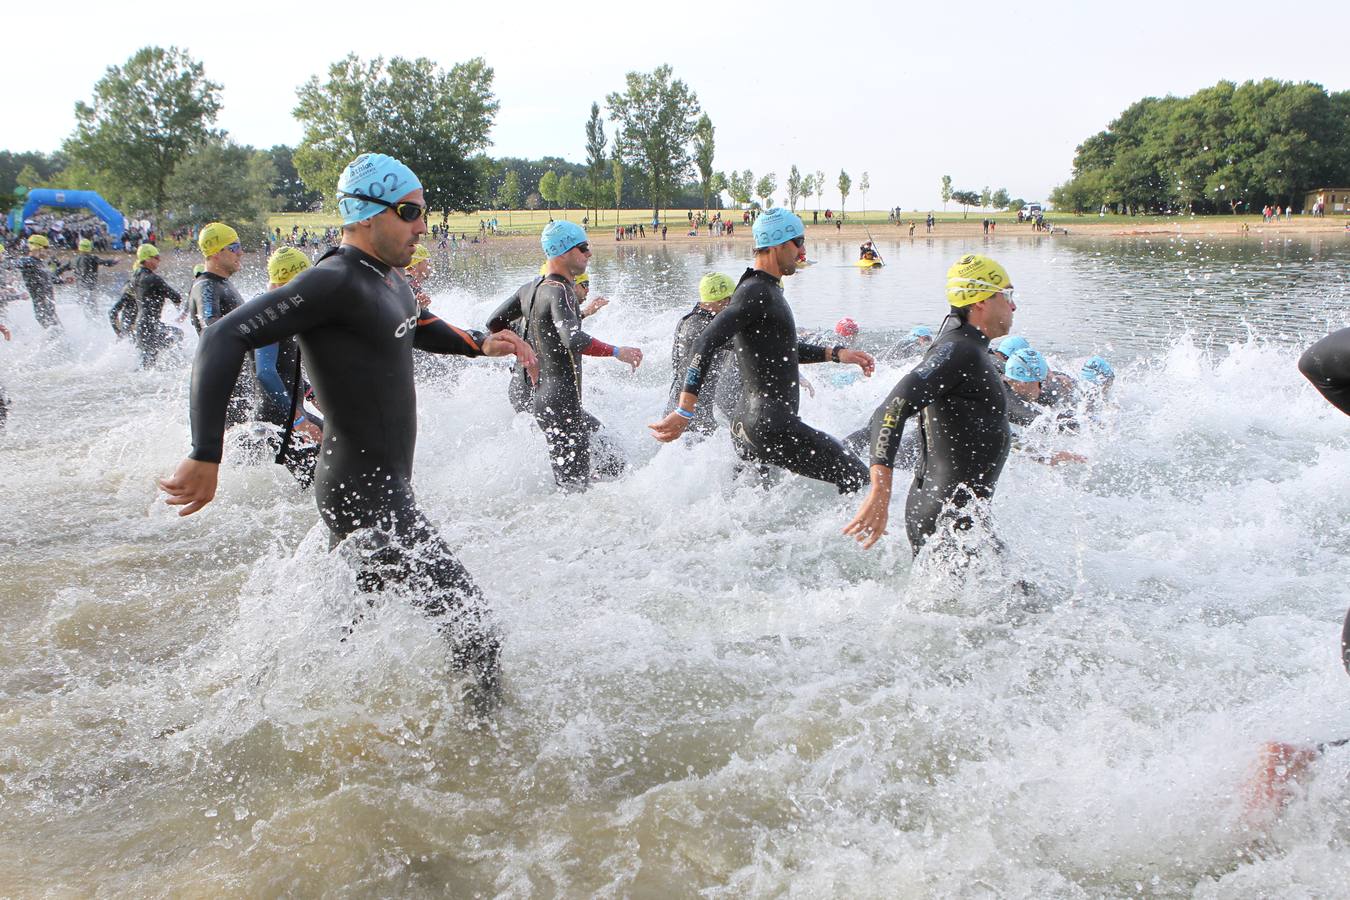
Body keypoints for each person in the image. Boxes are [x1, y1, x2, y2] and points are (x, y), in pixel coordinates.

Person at [159, 153, 537, 711]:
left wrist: (479, 341)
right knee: (474, 626)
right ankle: (486, 758)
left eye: (423, 213)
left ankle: (271, 707)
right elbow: (222, 337)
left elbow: (414, 324)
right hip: (363, 489)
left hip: (375, 484)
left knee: (346, 626)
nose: (420, 226)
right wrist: (204, 453)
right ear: (364, 214)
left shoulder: (386, 277)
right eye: (409, 212)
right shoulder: (332, 280)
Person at [649, 208, 874, 492]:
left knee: (755, 511)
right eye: (799, 241)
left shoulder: (763, 290)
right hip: (772, 426)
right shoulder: (756, 291)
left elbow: (778, 350)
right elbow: (704, 341)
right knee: (859, 477)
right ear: (778, 244)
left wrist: (836, 354)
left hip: (749, 427)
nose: (803, 250)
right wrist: (685, 410)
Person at [843, 254, 1016, 553]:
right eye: (1007, 295)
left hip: (958, 516)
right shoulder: (959, 350)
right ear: (980, 301)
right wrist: (881, 491)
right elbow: (892, 408)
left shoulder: (964, 345)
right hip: (946, 519)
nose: (1013, 305)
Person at [487, 221, 641, 490]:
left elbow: (495, 322)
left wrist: (522, 350)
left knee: (609, 458)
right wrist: (618, 352)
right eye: (583, 248)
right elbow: (574, 339)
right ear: (563, 252)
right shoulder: (561, 291)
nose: (589, 254)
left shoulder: (530, 288)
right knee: (574, 489)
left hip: (546, 399)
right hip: (561, 404)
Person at [250, 246, 325, 487]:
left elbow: (285, 368)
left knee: (342, 454)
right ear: (290, 278)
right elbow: (265, 371)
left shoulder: (282, 310)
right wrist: (297, 420)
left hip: (287, 414)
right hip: (278, 420)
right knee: (316, 485)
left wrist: (311, 392)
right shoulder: (268, 312)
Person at [187, 222, 251, 424]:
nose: (240, 252)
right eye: (233, 248)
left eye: (239, 246)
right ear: (215, 253)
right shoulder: (206, 286)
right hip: (224, 385)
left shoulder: (221, 283)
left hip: (236, 380)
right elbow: (211, 327)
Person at [662, 272, 740, 437]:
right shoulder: (706, 328)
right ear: (723, 301)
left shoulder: (689, 320)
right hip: (690, 416)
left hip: (682, 411)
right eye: (732, 301)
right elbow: (746, 346)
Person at [121, 244, 184, 368]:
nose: (159, 260)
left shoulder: (134, 278)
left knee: (146, 364)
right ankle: (177, 367)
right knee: (177, 334)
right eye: (156, 257)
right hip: (151, 326)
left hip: (141, 325)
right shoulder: (153, 279)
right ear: (147, 259)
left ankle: (168, 365)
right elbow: (176, 297)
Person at [15, 234, 67, 329]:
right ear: (37, 247)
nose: (48, 251)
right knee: (58, 336)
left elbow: (49, 278)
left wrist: (63, 281)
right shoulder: (27, 261)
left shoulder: (39, 263)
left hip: (49, 309)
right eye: (46, 247)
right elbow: (17, 263)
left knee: (59, 336)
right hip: (42, 309)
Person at [71, 238, 120, 316]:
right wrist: (115, 261)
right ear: (90, 247)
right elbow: (105, 263)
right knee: (93, 311)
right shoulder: (92, 258)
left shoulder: (74, 260)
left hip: (79, 290)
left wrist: (60, 280)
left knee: (82, 309)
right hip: (89, 289)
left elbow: (59, 270)